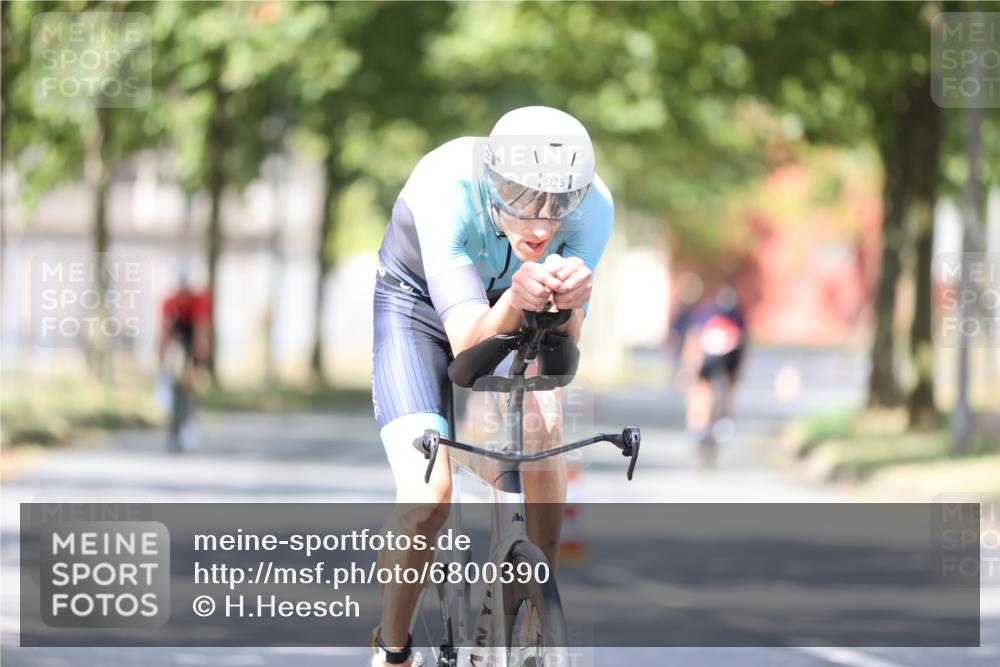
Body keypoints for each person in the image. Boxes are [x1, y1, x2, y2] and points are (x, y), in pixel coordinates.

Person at [370, 106, 614, 666]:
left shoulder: (594, 206)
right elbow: (467, 347)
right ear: (493, 181)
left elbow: (563, 352)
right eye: (524, 199)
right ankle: (393, 650)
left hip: (517, 300)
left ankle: (533, 610)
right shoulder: (445, 186)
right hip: (420, 309)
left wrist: (572, 305)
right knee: (429, 496)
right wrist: (513, 299)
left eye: (558, 205)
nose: (541, 224)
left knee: (544, 427)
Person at [677, 285, 747, 463]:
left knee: (707, 389)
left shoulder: (719, 315)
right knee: (704, 390)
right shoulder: (716, 315)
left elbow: (742, 348)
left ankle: (711, 422)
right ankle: (707, 424)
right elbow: (695, 342)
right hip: (714, 359)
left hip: (721, 359)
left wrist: (688, 370)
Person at [157, 268, 212, 452]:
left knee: (191, 379)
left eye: (185, 292)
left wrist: (200, 352)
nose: (182, 296)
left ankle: (191, 404)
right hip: (177, 339)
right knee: (174, 372)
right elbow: (164, 331)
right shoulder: (169, 301)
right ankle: (174, 417)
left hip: (192, 338)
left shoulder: (199, 300)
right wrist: (161, 356)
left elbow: (201, 328)